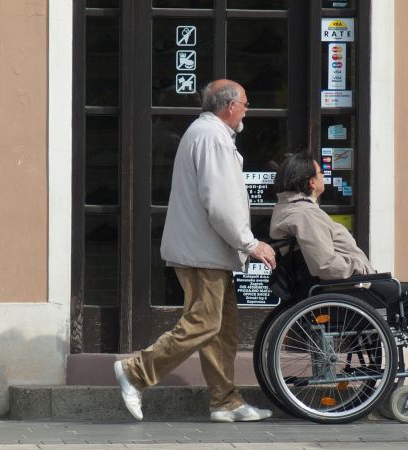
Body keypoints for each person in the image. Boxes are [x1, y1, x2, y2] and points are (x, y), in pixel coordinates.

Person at [114, 80, 277, 422]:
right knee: (204, 324)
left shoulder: (207, 134)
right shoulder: (212, 137)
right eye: (245, 103)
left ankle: (225, 401)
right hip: (203, 252)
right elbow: (220, 202)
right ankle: (135, 371)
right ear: (228, 106)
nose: (247, 109)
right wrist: (249, 243)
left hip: (207, 251)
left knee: (222, 329)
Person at [269, 151, 408, 394]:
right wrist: (360, 270)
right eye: (321, 173)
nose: (323, 177)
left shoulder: (290, 209)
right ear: (310, 181)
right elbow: (325, 265)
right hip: (341, 291)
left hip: (335, 291)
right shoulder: (306, 214)